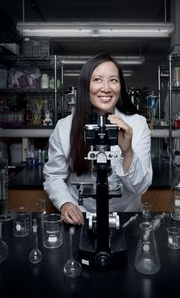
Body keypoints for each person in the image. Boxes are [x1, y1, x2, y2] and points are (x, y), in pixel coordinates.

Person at [43, 53, 152, 225]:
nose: (107, 88)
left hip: (125, 218)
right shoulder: (65, 127)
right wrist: (66, 203)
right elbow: (54, 176)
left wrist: (127, 151)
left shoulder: (137, 124)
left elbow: (141, 187)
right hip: (82, 217)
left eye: (113, 80)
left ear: (120, 86)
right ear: (86, 85)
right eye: (98, 79)